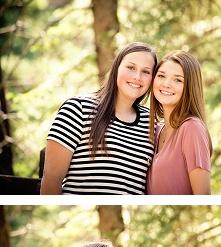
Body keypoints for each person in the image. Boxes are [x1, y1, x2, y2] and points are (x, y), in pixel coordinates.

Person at [41, 42, 157, 195]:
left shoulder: (151, 123)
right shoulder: (78, 109)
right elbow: (52, 178)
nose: (137, 77)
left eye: (146, 72)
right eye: (131, 67)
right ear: (116, 68)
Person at [146, 50, 212, 195]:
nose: (166, 84)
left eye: (178, 80)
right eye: (161, 76)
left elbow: (203, 196)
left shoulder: (192, 128)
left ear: (189, 87)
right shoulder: (156, 130)